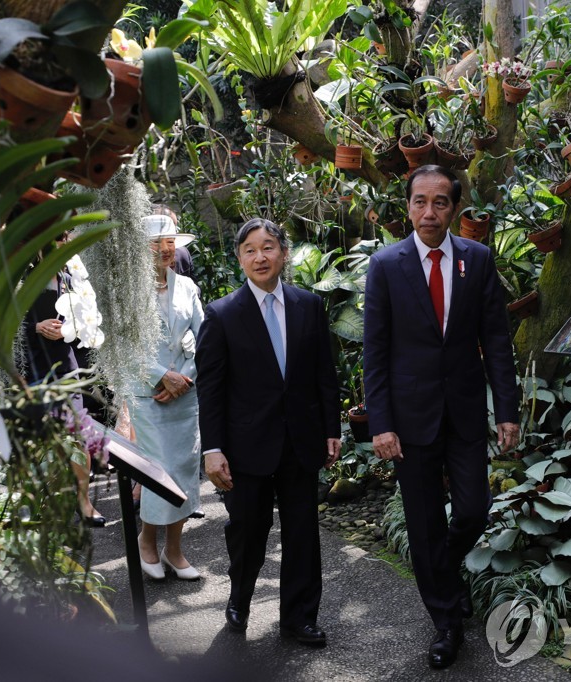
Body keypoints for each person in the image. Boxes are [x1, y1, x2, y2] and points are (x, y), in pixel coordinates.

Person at [362, 165, 521, 669]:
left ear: (454, 207)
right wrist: (381, 423)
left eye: (440, 202)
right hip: (409, 419)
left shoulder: (476, 259)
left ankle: (443, 572)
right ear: (407, 206)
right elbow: (376, 352)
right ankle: (446, 622)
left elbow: (496, 340)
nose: (429, 212)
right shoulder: (387, 265)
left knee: (473, 509)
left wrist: (507, 410)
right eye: (419, 202)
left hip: (466, 410)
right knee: (425, 521)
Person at [195, 218, 341, 647]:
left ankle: (298, 618)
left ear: (284, 252)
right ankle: (239, 596)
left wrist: (331, 428)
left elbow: (324, 374)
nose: (260, 257)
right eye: (250, 250)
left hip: (301, 440)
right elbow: (211, 388)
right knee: (247, 530)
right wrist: (213, 448)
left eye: (269, 247)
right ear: (240, 258)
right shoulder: (221, 315)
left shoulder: (308, 305)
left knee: (302, 534)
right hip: (245, 447)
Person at [129, 213, 204, 581]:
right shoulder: (128, 291)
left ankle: (175, 549)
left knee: (185, 471)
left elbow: (204, 339)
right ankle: (147, 539)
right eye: (156, 242)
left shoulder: (187, 287)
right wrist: (162, 376)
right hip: (147, 395)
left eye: (170, 241)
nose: (165, 248)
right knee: (159, 472)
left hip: (185, 395)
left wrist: (184, 378)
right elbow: (124, 347)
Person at [21, 236, 105, 527]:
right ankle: (46, 503)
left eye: (66, 239)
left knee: (77, 435)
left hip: (65, 365)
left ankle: (84, 501)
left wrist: (69, 328)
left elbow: (87, 321)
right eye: (58, 238)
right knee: (41, 439)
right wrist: (36, 327)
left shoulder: (71, 280)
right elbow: (5, 321)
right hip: (32, 367)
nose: (64, 243)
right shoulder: (24, 278)